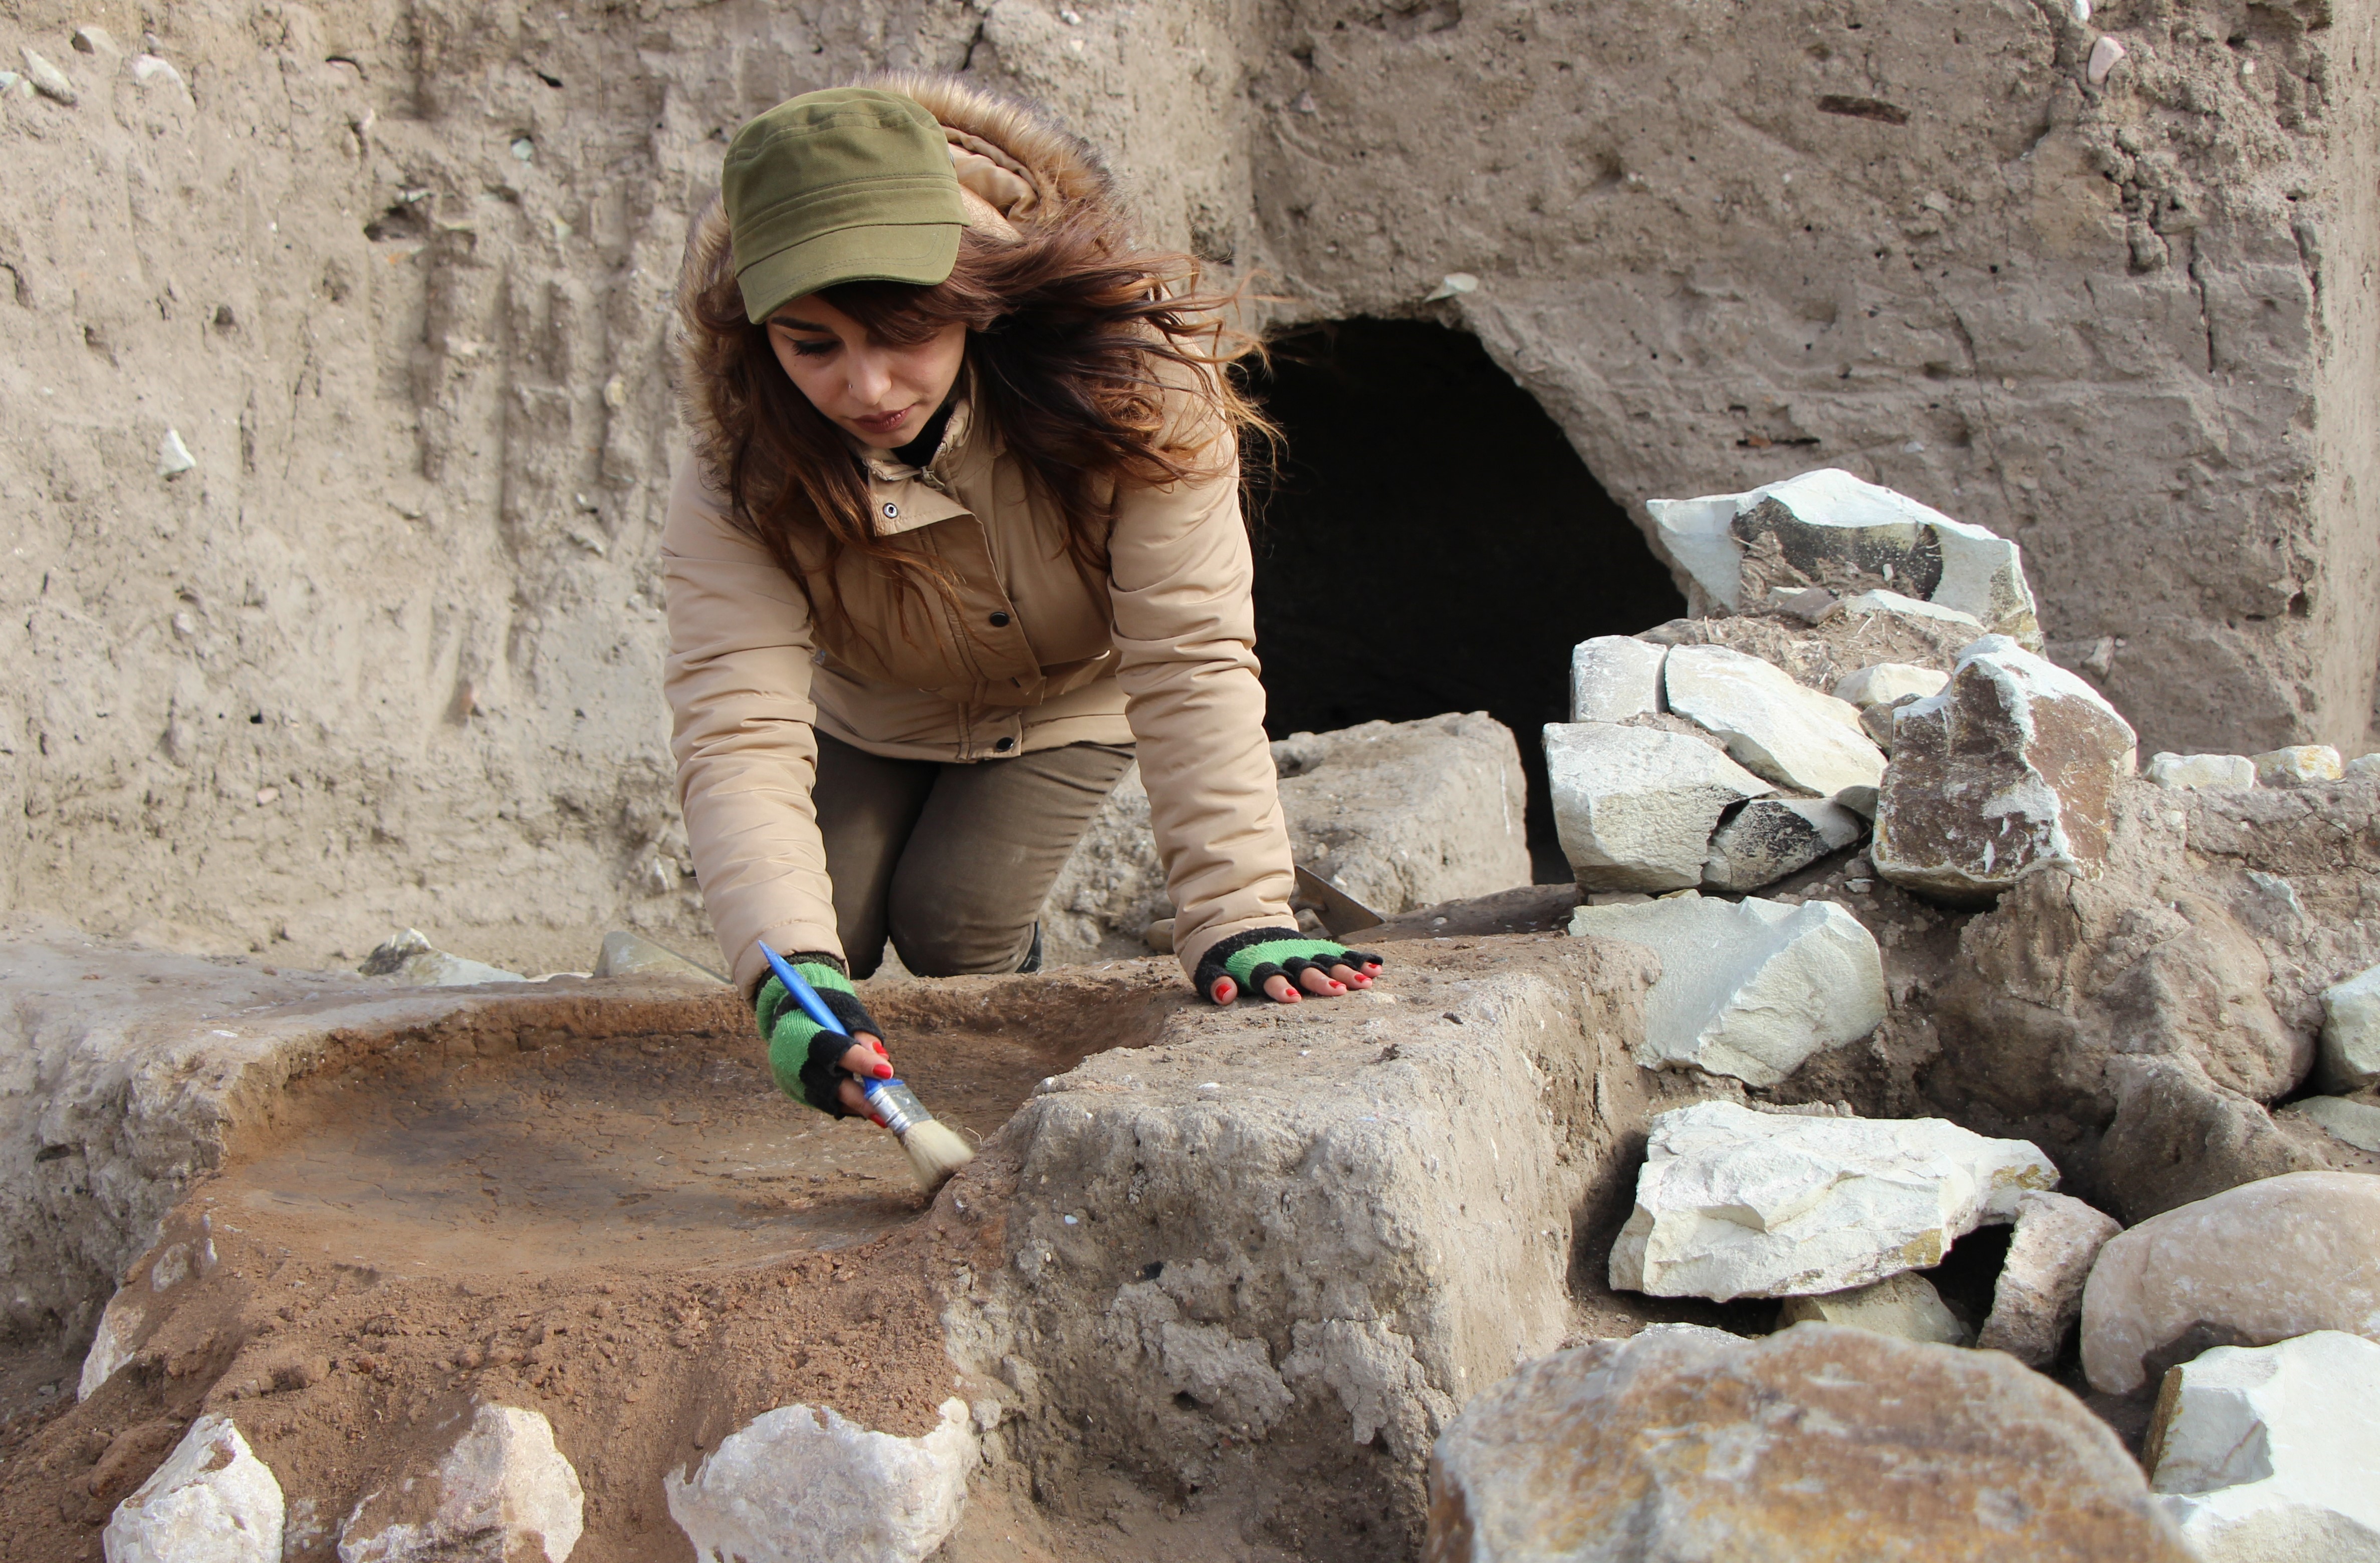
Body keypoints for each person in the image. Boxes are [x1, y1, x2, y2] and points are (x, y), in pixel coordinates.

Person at [665, 75, 1384, 1119]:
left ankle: (1025, 1027)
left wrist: (1239, 912)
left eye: (903, 330)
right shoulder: (741, 459)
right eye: (811, 344)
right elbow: (736, 726)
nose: (865, 390)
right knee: (837, 936)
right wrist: (792, 990)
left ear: (975, 295)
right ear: (759, 331)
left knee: (955, 928)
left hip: (1064, 695)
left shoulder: (1137, 398)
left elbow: (1189, 660)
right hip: (876, 696)